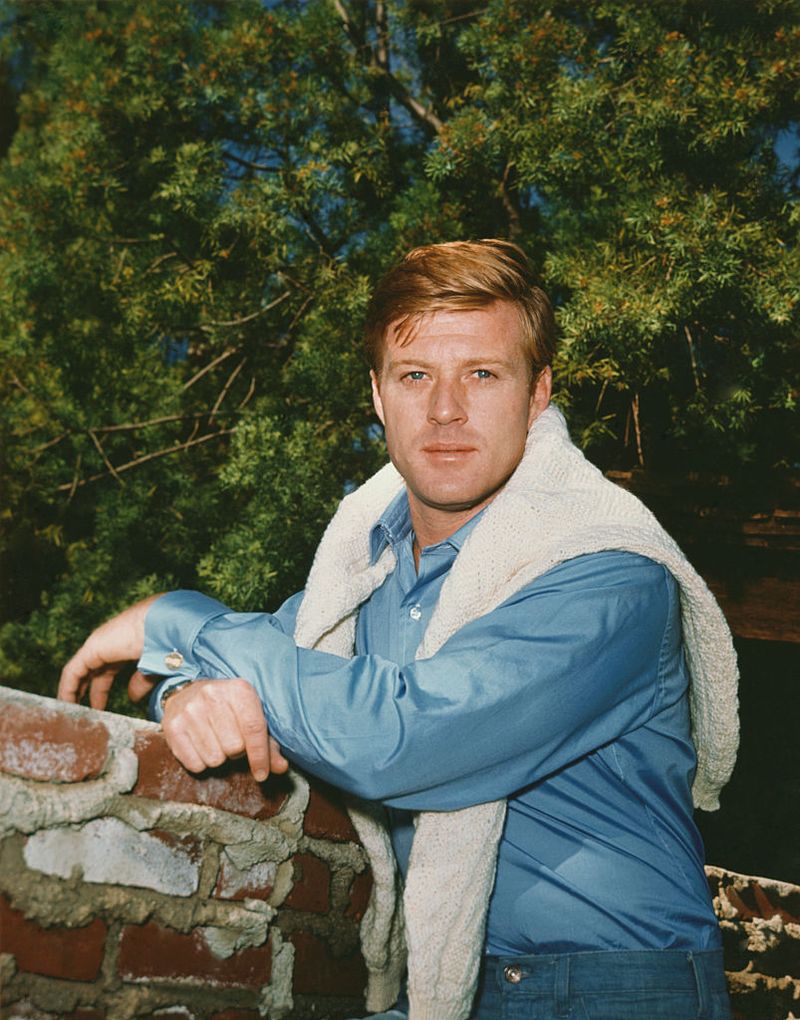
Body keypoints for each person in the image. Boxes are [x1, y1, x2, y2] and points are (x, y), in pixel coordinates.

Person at [60, 239, 738, 1020]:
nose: (445, 410)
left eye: (482, 375)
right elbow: (273, 661)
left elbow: (399, 736)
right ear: (379, 395)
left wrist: (174, 616)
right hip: (443, 992)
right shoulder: (366, 569)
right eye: (416, 376)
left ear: (537, 394)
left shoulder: (607, 573)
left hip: (615, 989)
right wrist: (187, 696)